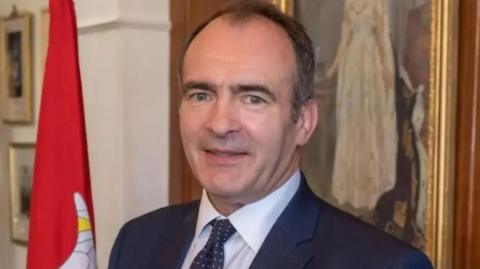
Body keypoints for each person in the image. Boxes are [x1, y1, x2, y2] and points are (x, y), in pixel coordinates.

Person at [108, 1, 432, 268]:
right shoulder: (137, 243)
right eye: (201, 95)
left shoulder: (384, 265)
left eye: (253, 98)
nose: (220, 124)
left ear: (303, 122)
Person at [326, 0, 398, 210]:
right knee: (353, 121)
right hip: (353, 62)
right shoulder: (349, 3)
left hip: (371, 60)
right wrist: (334, 66)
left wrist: (387, 68)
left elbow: (384, 35)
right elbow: (344, 38)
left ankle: (372, 189)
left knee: (369, 118)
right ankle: (351, 188)